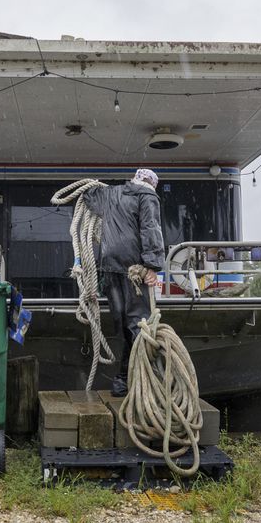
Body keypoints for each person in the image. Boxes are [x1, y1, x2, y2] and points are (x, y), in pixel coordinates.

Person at [83, 169, 165, 396]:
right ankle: (142, 380)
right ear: (152, 184)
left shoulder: (110, 194)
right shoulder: (147, 197)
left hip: (109, 267)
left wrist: (96, 186)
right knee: (140, 325)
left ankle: (122, 381)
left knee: (123, 325)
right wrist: (152, 265)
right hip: (133, 270)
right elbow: (151, 229)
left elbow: (89, 197)